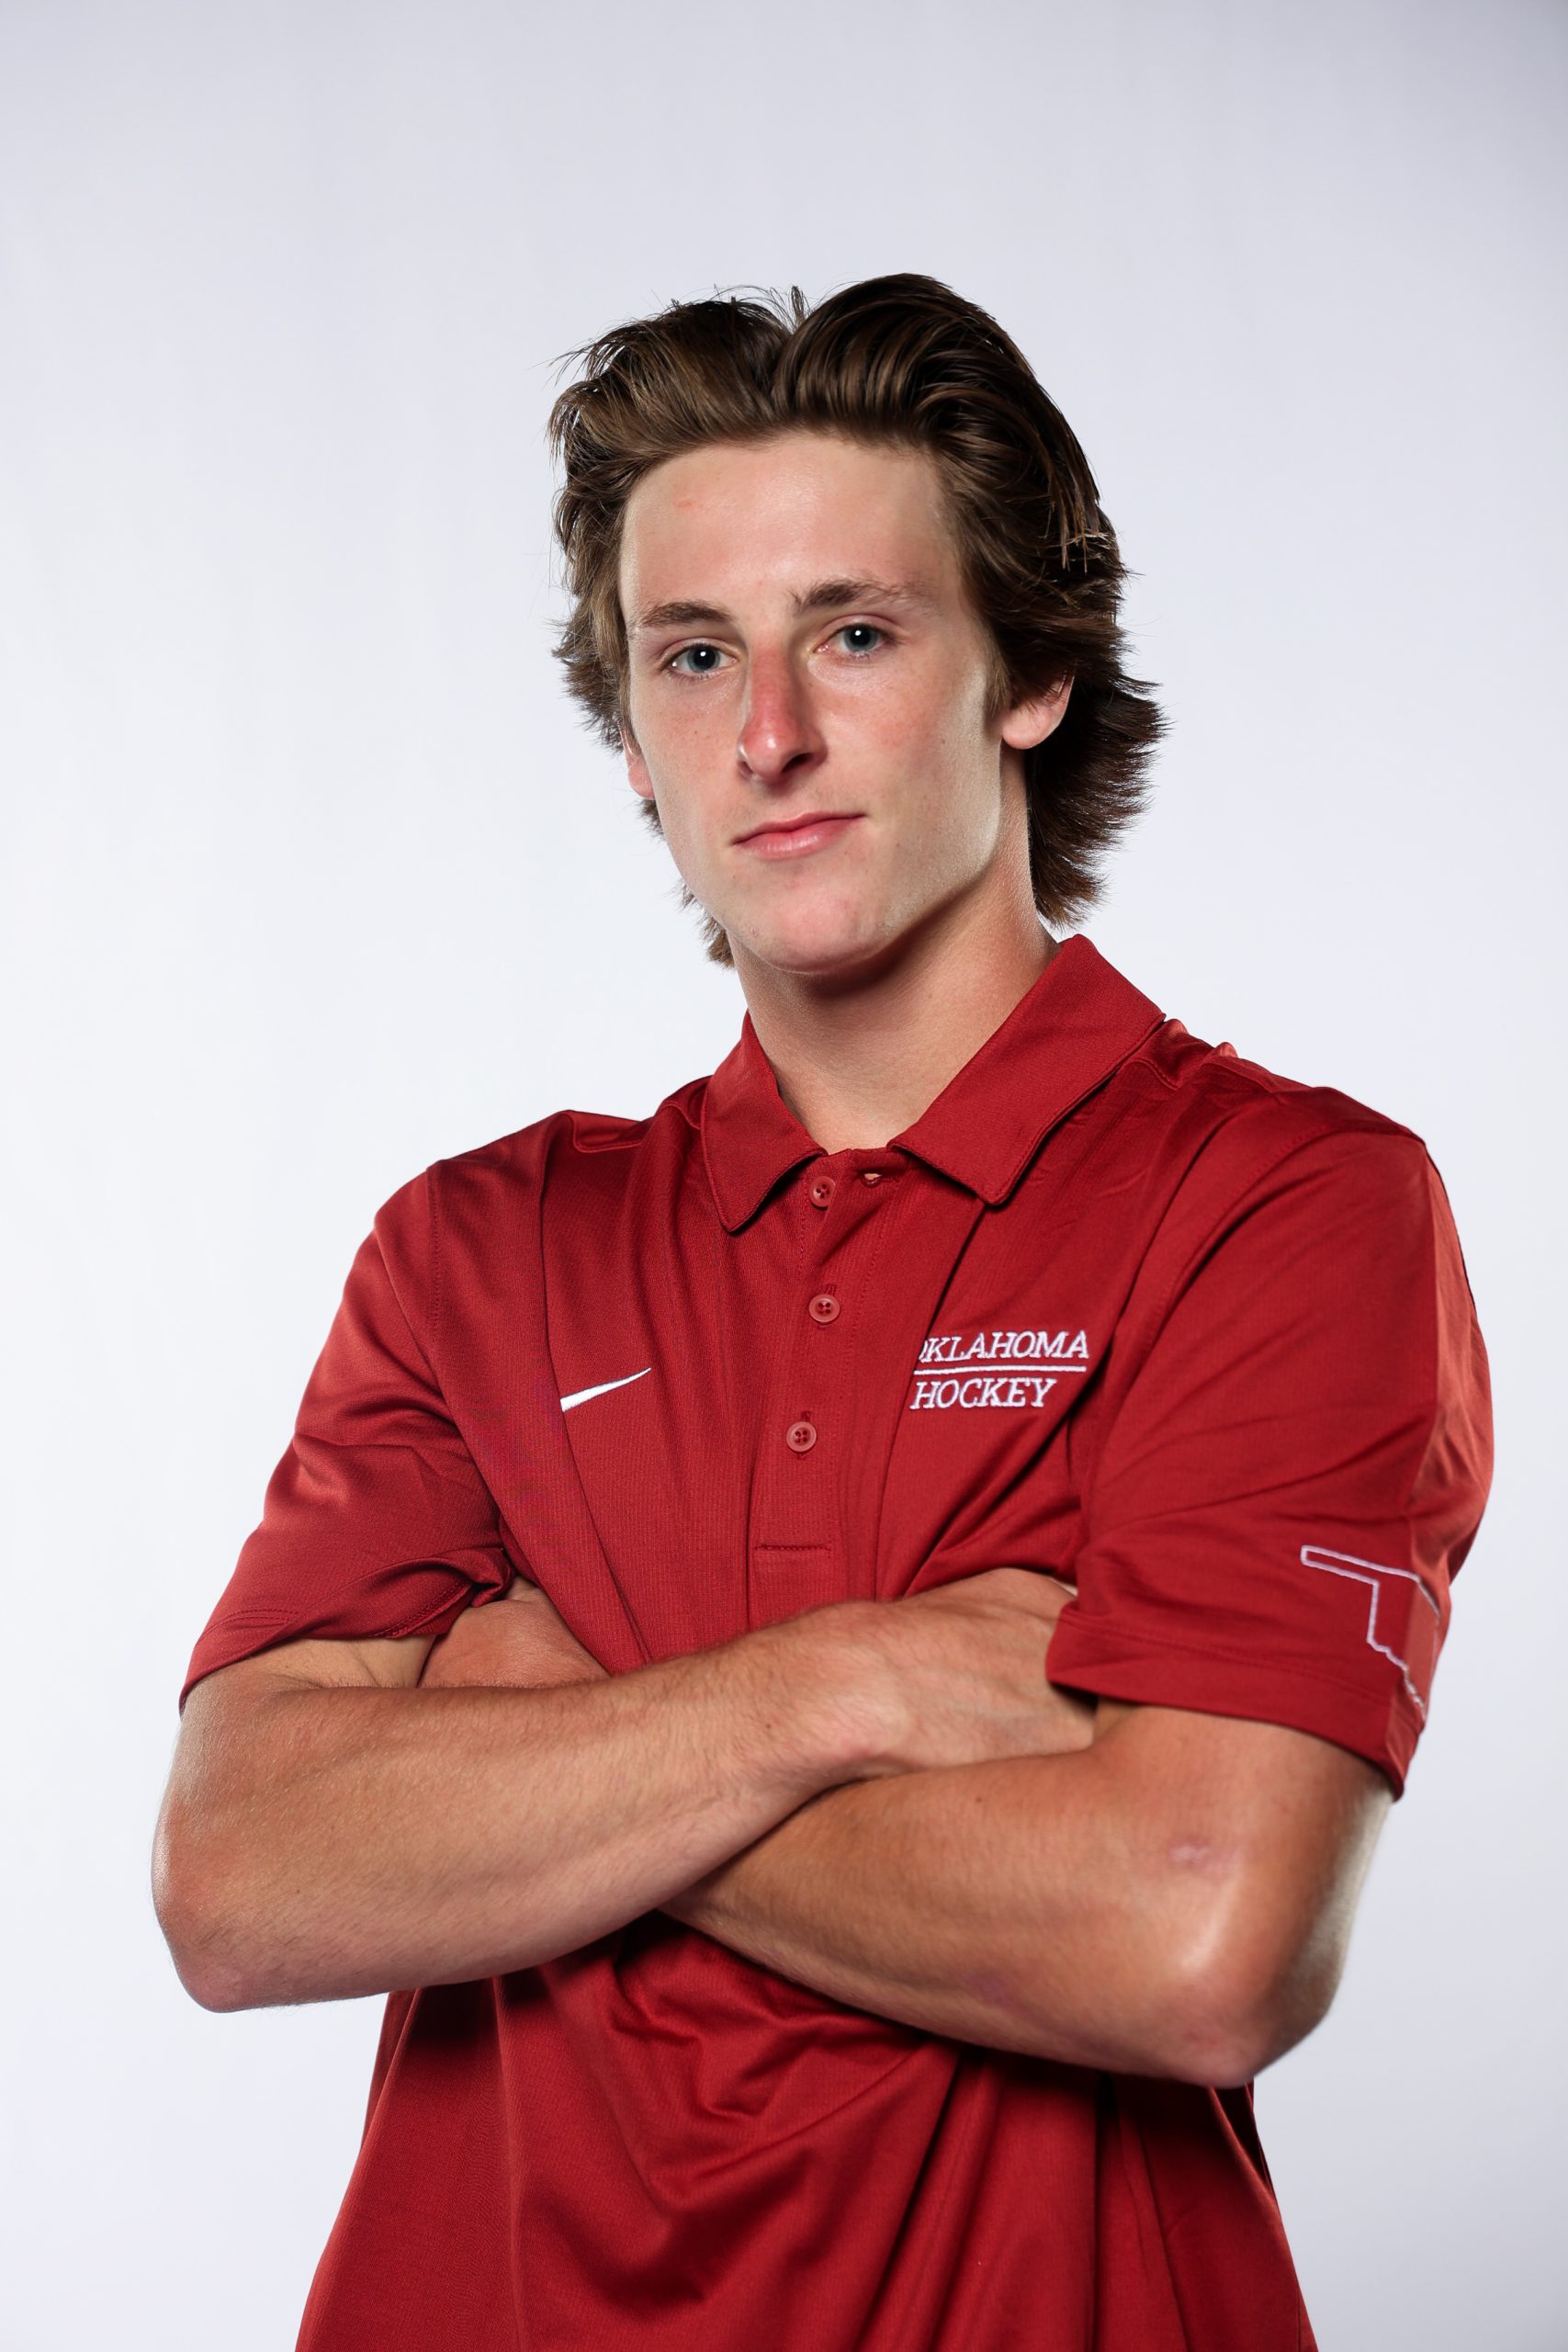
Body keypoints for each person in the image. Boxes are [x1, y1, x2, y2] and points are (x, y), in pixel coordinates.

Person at [152, 273, 1493, 2351]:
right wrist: (835, 1689)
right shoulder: (476, 1246)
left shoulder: (1282, 1205)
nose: (765, 732)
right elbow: (243, 1880)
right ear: (631, 739)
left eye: (854, 633)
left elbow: (1198, 1935)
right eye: (693, 655)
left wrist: (537, 1736)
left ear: (1028, 673)